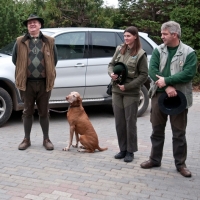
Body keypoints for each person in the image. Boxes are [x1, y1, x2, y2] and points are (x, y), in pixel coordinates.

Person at [140, 21, 197, 177]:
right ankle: (154, 159)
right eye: (162, 33)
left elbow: (189, 73)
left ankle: (180, 164)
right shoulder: (158, 50)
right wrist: (166, 86)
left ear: (174, 34)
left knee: (179, 133)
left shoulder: (189, 52)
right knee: (157, 130)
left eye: (164, 34)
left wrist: (168, 81)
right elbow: (152, 71)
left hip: (179, 97)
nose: (161, 36)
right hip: (159, 94)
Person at [12, 14, 58, 150]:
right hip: (27, 83)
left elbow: (54, 60)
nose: (32, 24)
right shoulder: (20, 41)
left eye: (35, 22)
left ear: (40, 25)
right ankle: (26, 139)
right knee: (27, 112)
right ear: (27, 26)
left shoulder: (50, 41)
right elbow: (15, 59)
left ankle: (46, 139)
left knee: (44, 112)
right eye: (30, 23)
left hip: (44, 83)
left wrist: (47, 71)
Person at [108, 26, 148, 162]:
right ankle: (122, 149)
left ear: (135, 36)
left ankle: (130, 151)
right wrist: (111, 74)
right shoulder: (120, 49)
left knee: (130, 122)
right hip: (116, 91)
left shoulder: (141, 53)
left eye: (128, 36)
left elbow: (144, 75)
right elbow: (111, 64)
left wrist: (128, 86)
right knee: (119, 122)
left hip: (131, 92)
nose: (126, 38)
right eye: (125, 36)